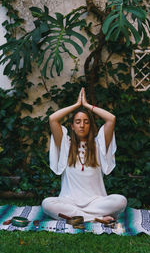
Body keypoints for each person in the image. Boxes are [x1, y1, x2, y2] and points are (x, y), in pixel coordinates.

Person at [42, 88, 127, 223]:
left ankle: (80, 217)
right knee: (47, 204)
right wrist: (76, 105)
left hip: (95, 201)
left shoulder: (99, 144)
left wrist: (87, 105)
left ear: (91, 126)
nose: (82, 125)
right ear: (72, 126)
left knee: (121, 201)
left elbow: (111, 119)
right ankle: (95, 218)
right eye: (78, 122)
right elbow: (53, 119)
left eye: (86, 122)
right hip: (69, 201)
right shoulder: (65, 144)